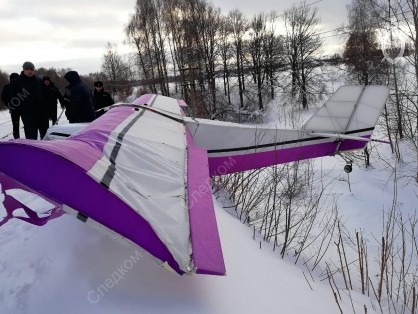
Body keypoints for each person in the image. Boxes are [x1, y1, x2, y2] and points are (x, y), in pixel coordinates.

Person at [11, 61, 48, 140]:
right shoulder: (17, 82)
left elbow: (45, 96)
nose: (29, 71)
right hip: (28, 116)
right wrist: (21, 110)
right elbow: (13, 98)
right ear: (23, 70)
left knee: (45, 138)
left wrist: (46, 108)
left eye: (31, 69)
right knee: (31, 139)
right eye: (27, 69)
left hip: (42, 115)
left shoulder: (39, 81)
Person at [1, 72, 21, 139]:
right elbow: (3, 97)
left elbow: (3, 98)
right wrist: (9, 105)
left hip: (20, 108)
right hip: (15, 109)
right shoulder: (7, 87)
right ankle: (17, 138)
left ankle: (17, 138)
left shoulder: (20, 87)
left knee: (16, 125)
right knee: (16, 125)